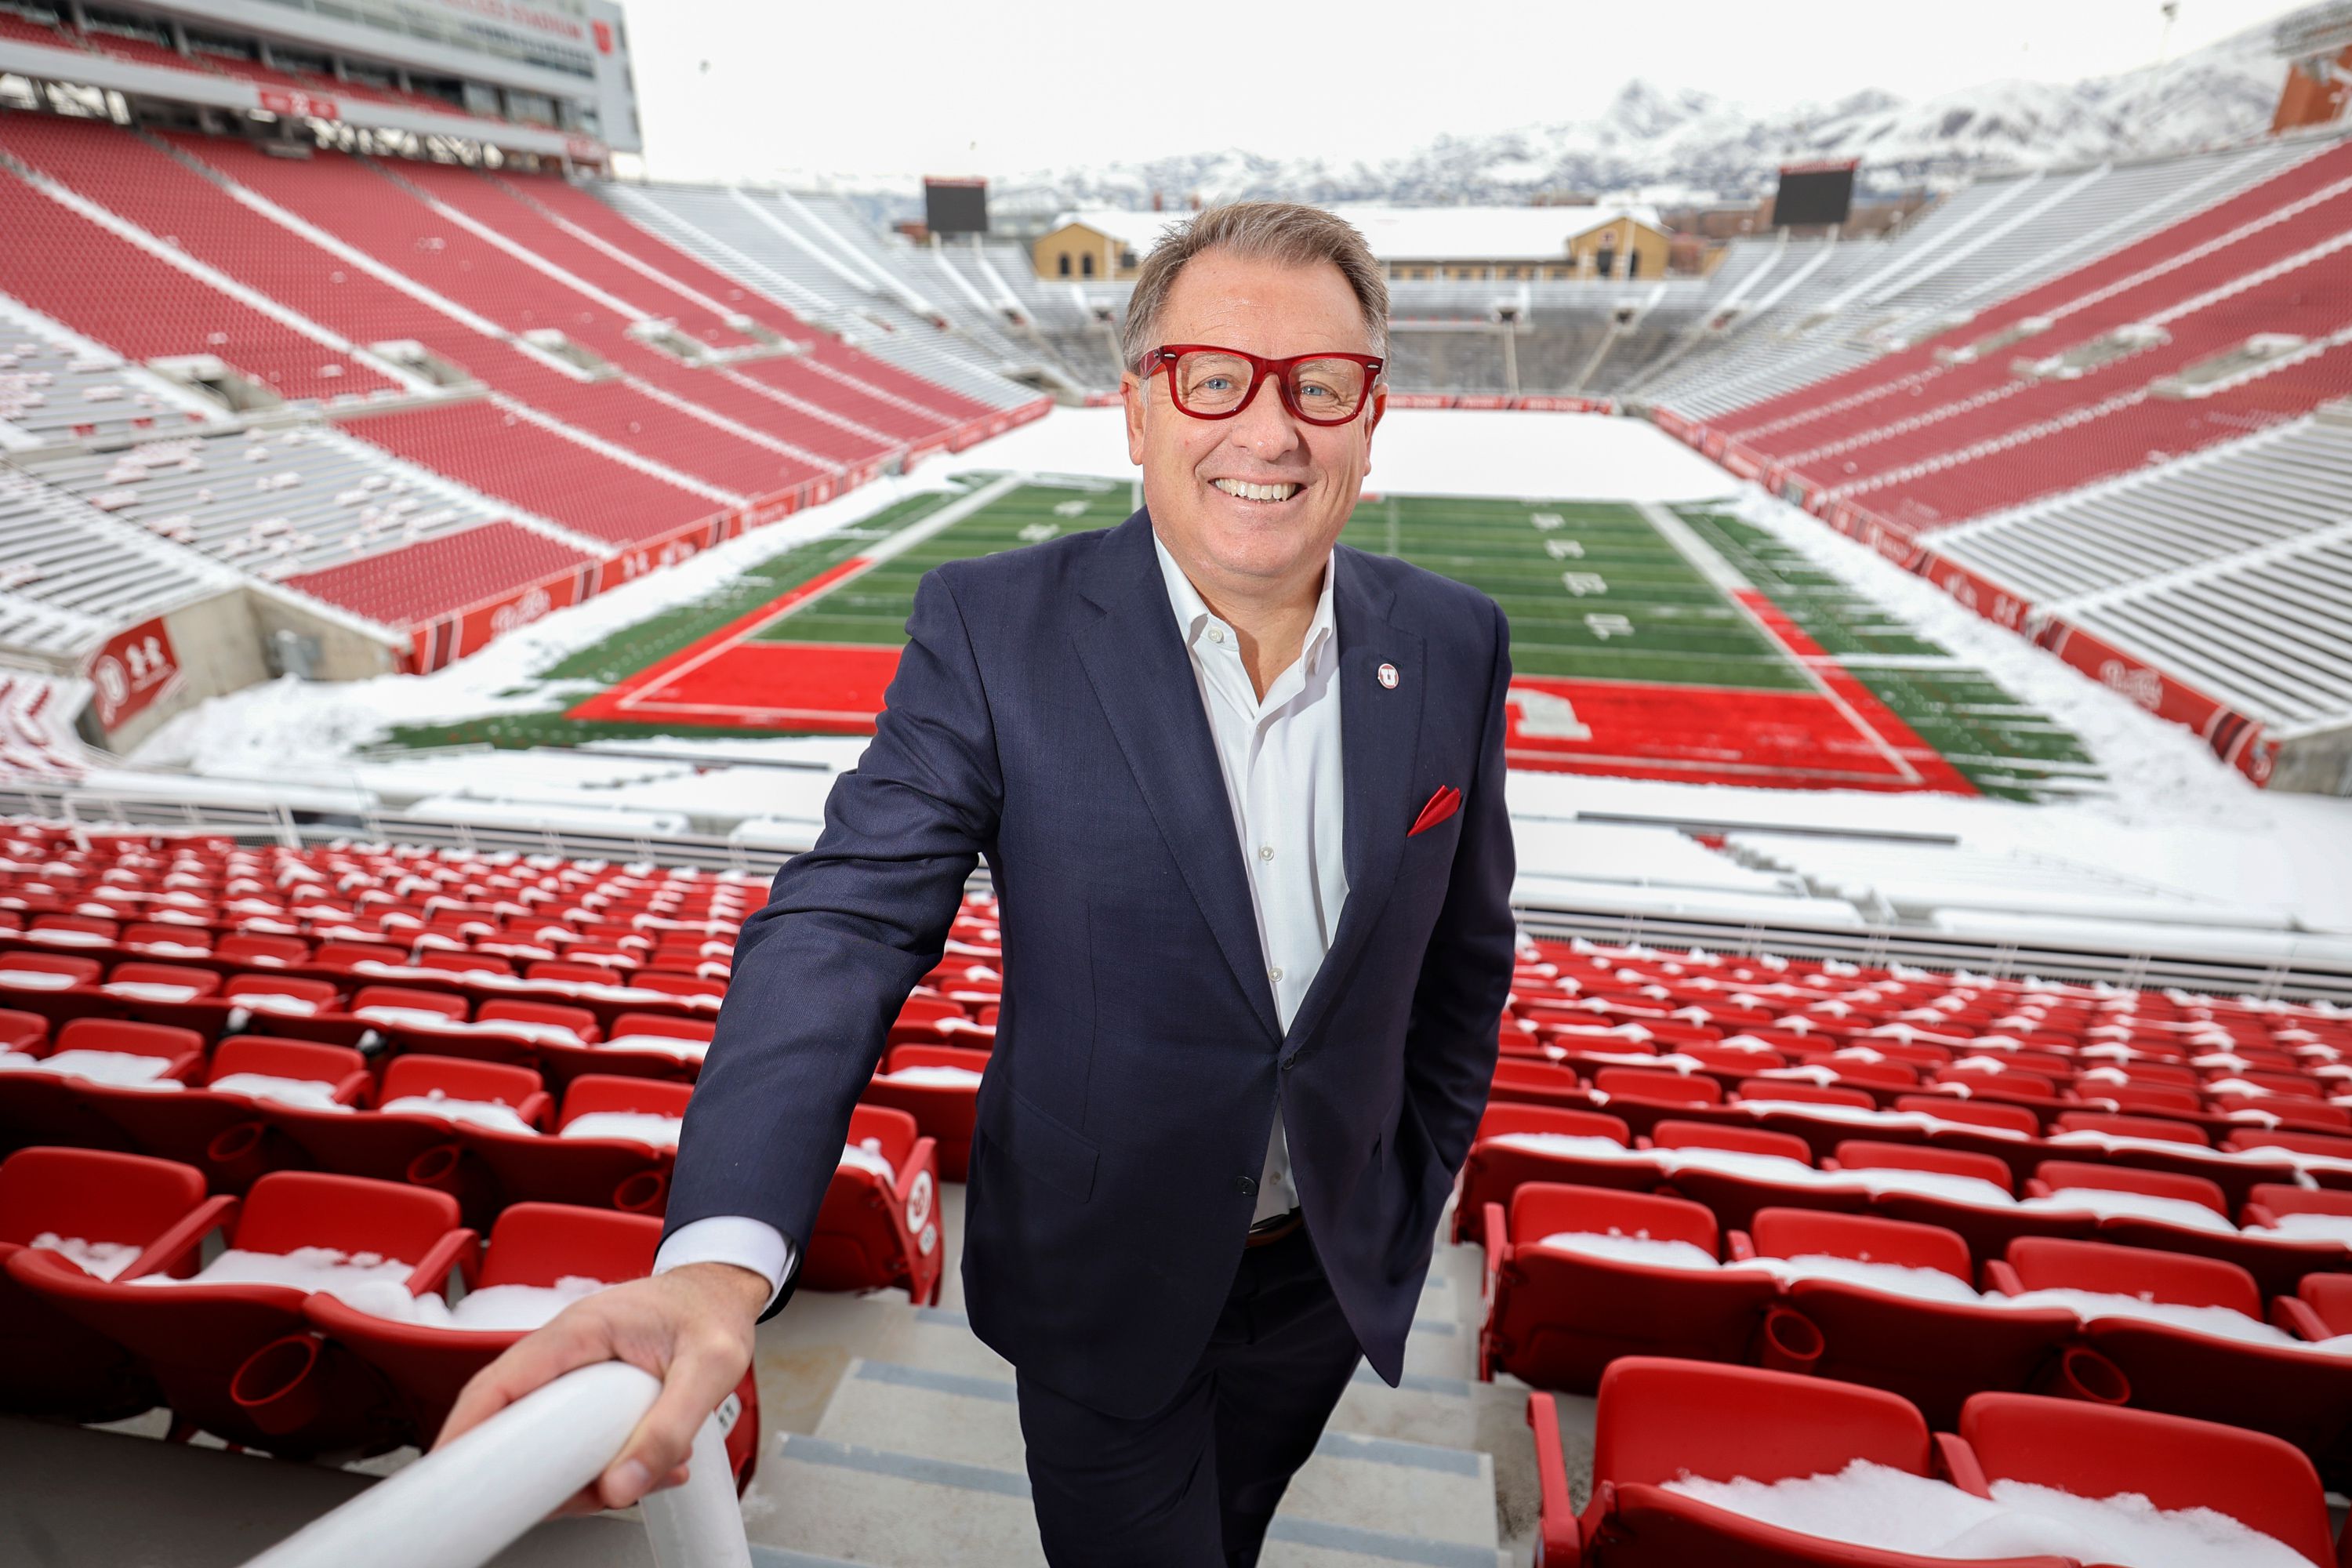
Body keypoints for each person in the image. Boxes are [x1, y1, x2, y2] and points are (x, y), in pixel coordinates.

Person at [437, 201, 1517, 1566]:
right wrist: (717, 1254)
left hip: (1325, 1277)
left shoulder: (1453, 641)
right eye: (1214, 377)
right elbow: (845, 917)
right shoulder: (993, 627)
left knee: (1236, 1523)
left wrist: (1407, 1192)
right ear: (1140, 410)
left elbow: (1466, 959)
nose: (1270, 429)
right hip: (1098, 1284)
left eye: (1320, 385)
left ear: (1370, 417)